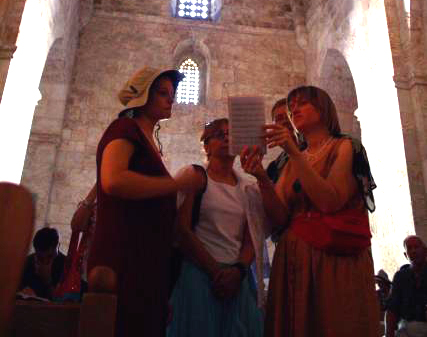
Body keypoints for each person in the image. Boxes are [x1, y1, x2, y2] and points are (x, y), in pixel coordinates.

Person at [241, 84, 379, 337]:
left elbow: (330, 201)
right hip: (293, 261)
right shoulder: (293, 159)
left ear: (323, 109)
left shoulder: (345, 146)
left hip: (334, 262)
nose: (293, 109)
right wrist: (261, 177)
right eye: (291, 105)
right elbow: (279, 218)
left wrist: (294, 153)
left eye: (302, 103)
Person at [87, 67, 203, 337]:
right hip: (124, 255)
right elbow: (114, 180)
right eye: (162, 93)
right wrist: (176, 184)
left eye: (172, 93)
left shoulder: (146, 138)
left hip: (145, 260)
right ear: (143, 96)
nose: (170, 99)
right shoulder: (124, 128)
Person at [167, 118, 265, 337]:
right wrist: (216, 272)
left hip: (236, 277)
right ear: (207, 146)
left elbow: (251, 239)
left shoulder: (248, 187)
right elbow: (182, 230)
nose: (227, 138)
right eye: (220, 135)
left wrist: (238, 271)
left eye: (231, 134)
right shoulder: (196, 177)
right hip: (199, 275)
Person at [386, 235, 427, 337]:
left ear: (425, 251)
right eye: (409, 248)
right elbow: (391, 309)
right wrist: (388, 334)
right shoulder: (400, 276)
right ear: (406, 255)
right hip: (405, 328)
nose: (413, 251)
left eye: (416, 247)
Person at [19, 227, 66, 299]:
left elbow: (62, 301)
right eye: (40, 257)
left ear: (58, 246)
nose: (45, 262)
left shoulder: (67, 265)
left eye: (50, 256)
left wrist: (47, 281)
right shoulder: (26, 263)